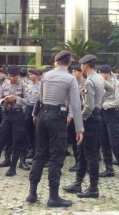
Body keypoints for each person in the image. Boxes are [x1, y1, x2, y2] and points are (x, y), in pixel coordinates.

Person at [27, 50, 84, 208]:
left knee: (39, 154)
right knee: (56, 157)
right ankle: (53, 197)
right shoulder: (70, 78)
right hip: (57, 118)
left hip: (42, 116)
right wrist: (79, 129)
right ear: (69, 63)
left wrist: (34, 114)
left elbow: (39, 98)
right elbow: (75, 105)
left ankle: (32, 193)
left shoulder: (46, 75)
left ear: (56, 62)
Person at [63, 54, 103, 199]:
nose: (80, 68)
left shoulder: (90, 81)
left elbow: (89, 106)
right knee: (82, 152)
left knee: (90, 155)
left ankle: (93, 188)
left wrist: (81, 119)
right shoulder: (99, 78)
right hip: (95, 118)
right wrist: (100, 104)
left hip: (89, 121)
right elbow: (110, 90)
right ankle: (78, 183)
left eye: (81, 65)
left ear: (85, 66)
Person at [0, 65, 28, 177]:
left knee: (16, 142)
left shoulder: (23, 85)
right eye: (11, 76)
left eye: (15, 76)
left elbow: (28, 101)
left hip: (18, 115)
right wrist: (3, 100)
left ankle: (13, 168)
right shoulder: (4, 84)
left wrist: (16, 99)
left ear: (18, 75)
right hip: (6, 115)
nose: (13, 78)